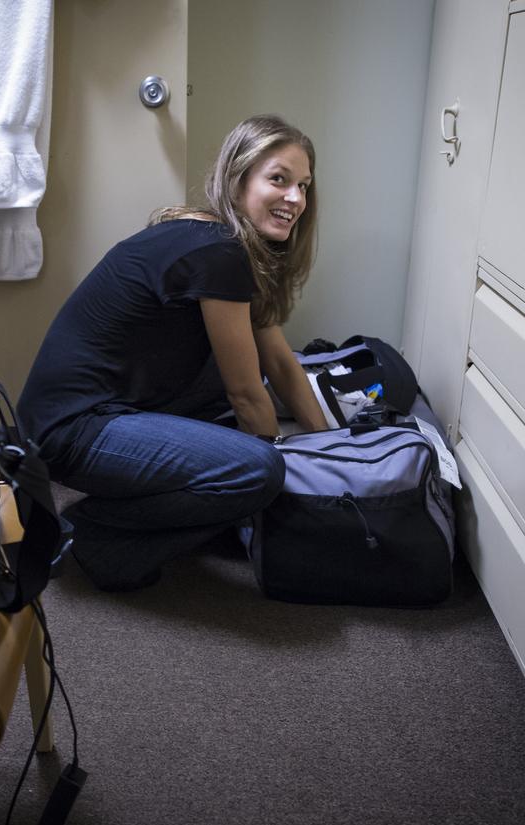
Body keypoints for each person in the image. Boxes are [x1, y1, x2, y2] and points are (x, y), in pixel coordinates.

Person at [18, 114, 327, 590]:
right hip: (73, 428)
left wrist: (331, 447)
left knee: (236, 416)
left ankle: (185, 511)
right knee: (259, 469)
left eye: (303, 186)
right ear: (237, 178)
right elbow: (247, 395)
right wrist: (280, 487)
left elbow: (280, 363)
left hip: (107, 409)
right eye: (279, 180)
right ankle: (97, 533)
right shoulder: (218, 250)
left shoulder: (221, 241)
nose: (295, 199)